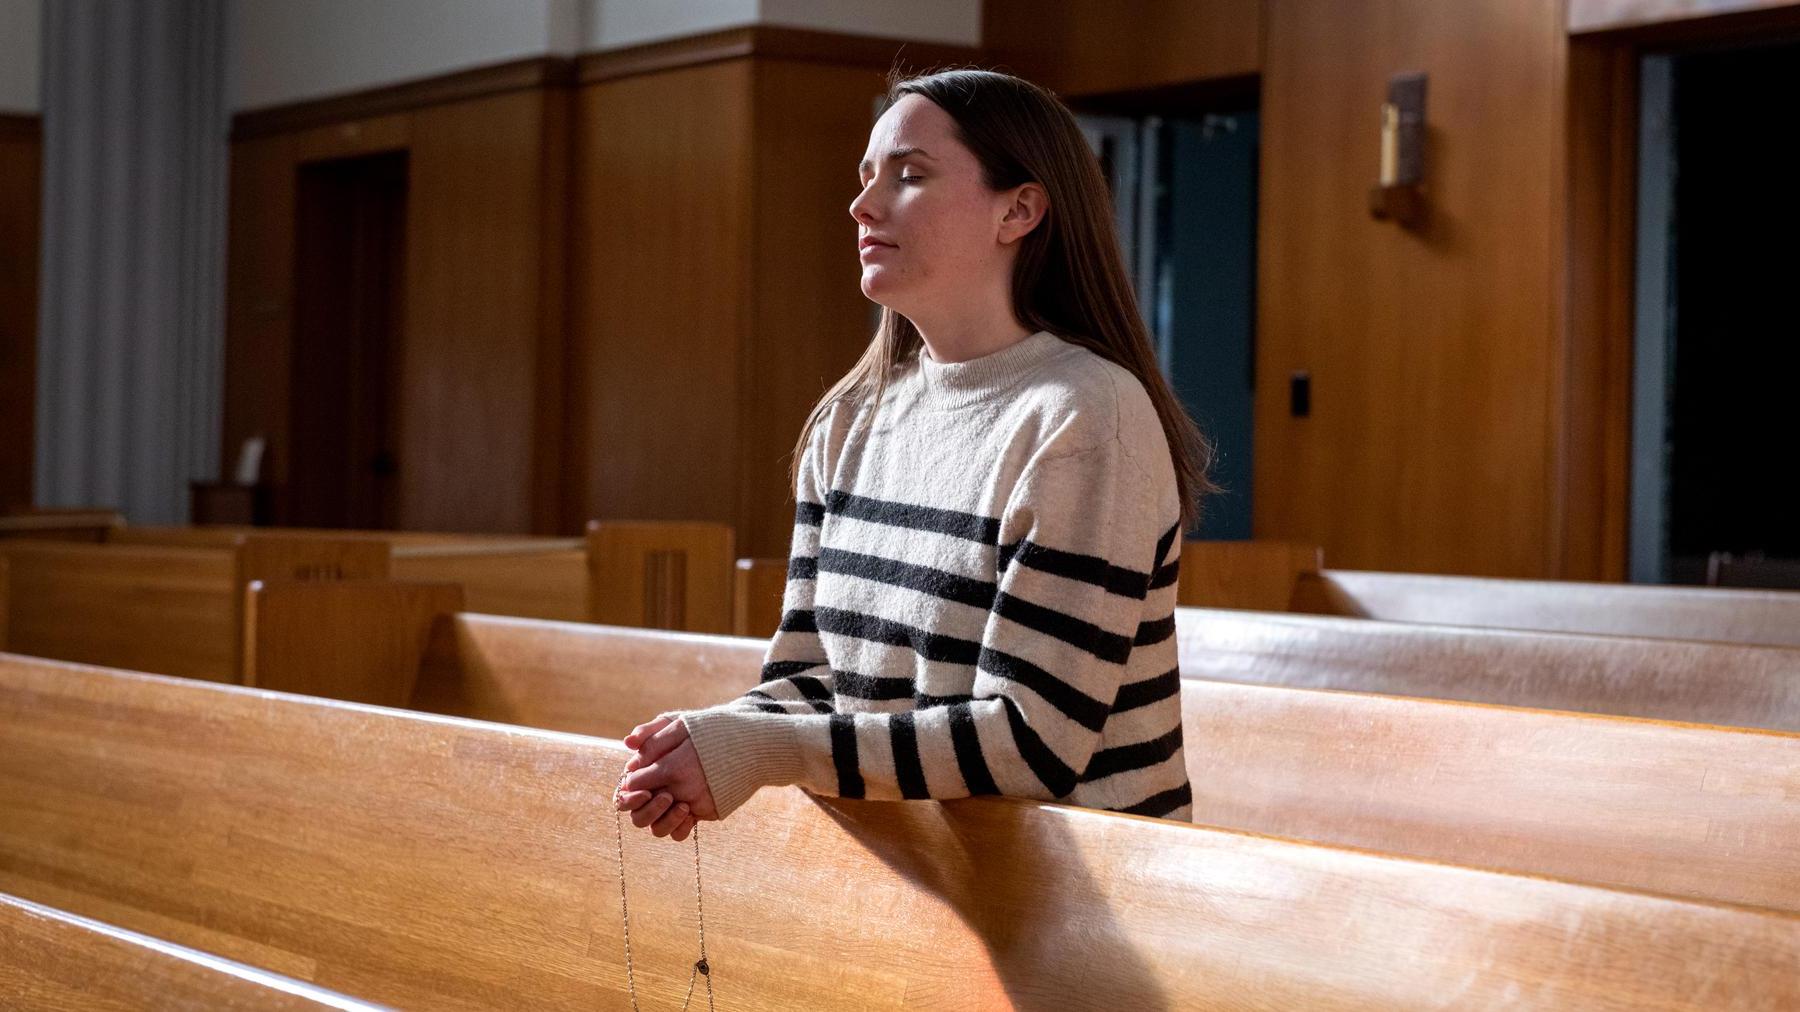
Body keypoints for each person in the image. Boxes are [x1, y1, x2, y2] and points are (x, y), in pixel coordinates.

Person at [615, 67, 1219, 842]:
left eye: (910, 175)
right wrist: (702, 742)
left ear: (1019, 209)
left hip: (1092, 900)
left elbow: (1031, 744)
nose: (862, 206)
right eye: (867, 178)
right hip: (924, 876)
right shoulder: (851, 419)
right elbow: (811, 677)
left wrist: (765, 748)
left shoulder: (1083, 415)